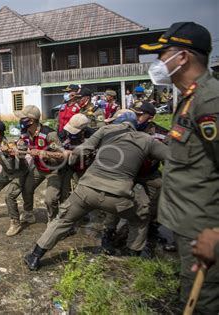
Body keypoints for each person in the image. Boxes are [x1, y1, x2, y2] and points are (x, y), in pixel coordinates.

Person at [24, 110, 168, 271]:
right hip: (119, 196)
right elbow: (171, 158)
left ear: (117, 121)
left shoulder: (105, 130)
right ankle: (133, 253)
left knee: (62, 220)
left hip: (87, 190)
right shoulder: (147, 140)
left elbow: (80, 152)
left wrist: (71, 157)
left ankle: (35, 256)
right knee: (141, 217)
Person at [141, 21, 219, 313]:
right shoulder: (189, 99)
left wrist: (216, 232)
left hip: (205, 229)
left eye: (163, 54)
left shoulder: (210, 102)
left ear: (182, 57)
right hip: (189, 225)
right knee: (190, 292)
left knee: (205, 303)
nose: (158, 62)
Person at [101, 101, 170, 255]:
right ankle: (108, 233)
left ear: (150, 118)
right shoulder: (123, 129)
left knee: (161, 189)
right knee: (116, 201)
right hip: (126, 173)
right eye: (134, 113)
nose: (136, 118)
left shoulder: (161, 134)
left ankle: (151, 227)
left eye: (140, 115)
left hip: (148, 174)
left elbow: (169, 157)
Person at [17, 105, 69, 224]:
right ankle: (28, 214)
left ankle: (53, 221)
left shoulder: (49, 134)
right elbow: (21, 152)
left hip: (54, 170)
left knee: (50, 200)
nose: (20, 121)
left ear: (31, 120)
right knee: (26, 188)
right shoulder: (25, 132)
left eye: (22, 118)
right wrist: (17, 149)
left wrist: (45, 153)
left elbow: (63, 155)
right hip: (39, 168)